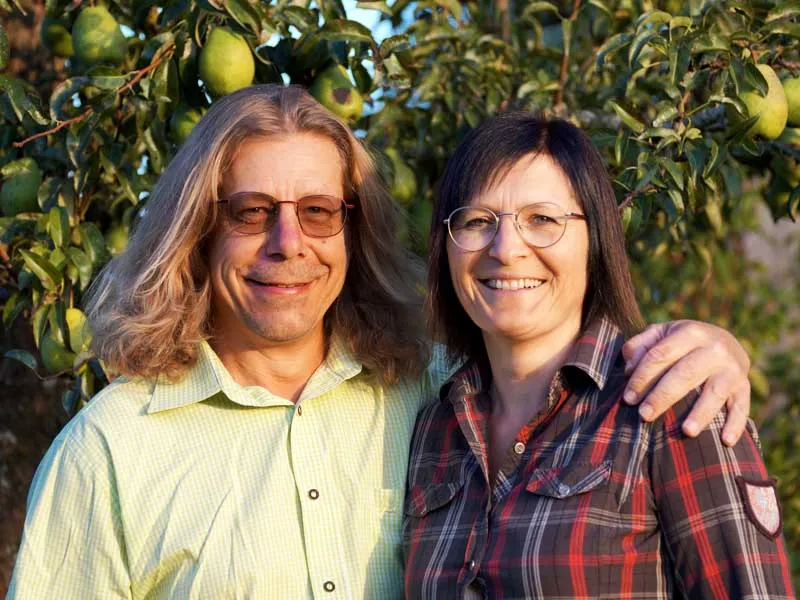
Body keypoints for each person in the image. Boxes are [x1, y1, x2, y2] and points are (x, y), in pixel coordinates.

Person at [9, 85, 755, 599]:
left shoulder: (428, 392)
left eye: (319, 211)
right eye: (251, 211)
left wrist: (719, 348)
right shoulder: (110, 449)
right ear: (197, 231)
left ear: (355, 231)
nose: (288, 244)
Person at [402, 112, 794, 599]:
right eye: (478, 221)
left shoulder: (668, 400)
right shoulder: (432, 428)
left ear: (596, 240)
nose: (506, 249)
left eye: (542, 219)